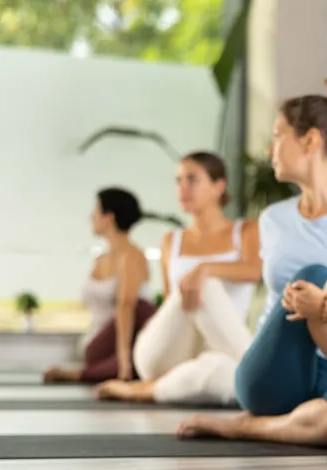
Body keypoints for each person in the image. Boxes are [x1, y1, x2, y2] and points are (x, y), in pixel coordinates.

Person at [176, 76, 327, 453]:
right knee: (314, 277)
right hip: (273, 372)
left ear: (311, 140)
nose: (270, 149)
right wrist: (318, 300)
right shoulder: (273, 219)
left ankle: (246, 428)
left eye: (278, 135)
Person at [95, 152, 260, 406]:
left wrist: (205, 268)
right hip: (164, 351)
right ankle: (258, 373)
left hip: (219, 352)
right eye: (178, 180)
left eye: (192, 179)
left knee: (226, 375)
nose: (182, 188)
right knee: (205, 287)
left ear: (219, 186)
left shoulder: (246, 231)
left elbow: (254, 271)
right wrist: (202, 274)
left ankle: (149, 390)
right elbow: (172, 304)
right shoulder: (172, 242)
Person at [43, 187, 163, 384]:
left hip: (123, 345)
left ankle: (97, 370)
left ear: (109, 217)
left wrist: (124, 358)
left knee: (141, 307)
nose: (91, 216)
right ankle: (106, 369)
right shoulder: (99, 260)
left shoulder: (132, 256)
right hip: (98, 348)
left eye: (96, 210)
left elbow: (126, 306)